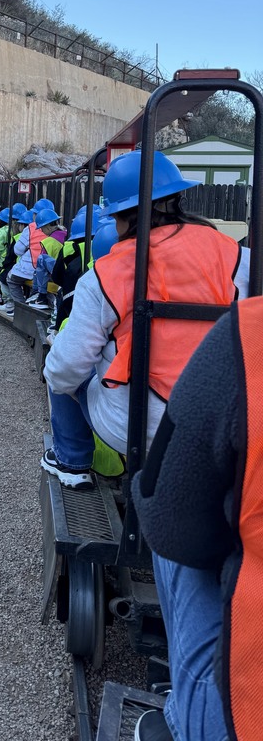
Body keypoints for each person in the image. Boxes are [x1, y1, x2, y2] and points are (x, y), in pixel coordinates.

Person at [41, 150, 248, 490]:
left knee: (62, 363)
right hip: (223, 422)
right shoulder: (238, 256)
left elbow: (65, 370)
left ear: (121, 216)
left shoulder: (106, 274)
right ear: (177, 198)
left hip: (140, 427)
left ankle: (72, 460)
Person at [131, 294, 263, 741]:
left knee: (173, 516)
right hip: (189, 400)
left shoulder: (249, 333)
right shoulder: (232, 262)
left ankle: (183, 718)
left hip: (248, 716)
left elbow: (170, 524)